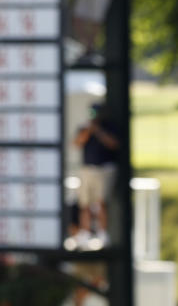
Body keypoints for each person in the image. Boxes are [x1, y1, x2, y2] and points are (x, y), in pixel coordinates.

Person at [72, 103, 120, 249]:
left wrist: (98, 131)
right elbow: (76, 143)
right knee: (84, 203)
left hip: (104, 169)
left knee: (100, 202)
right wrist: (89, 130)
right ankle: (85, 232)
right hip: (87, 169)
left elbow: (114, 144)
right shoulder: (84, 128)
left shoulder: (109, 127)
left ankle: (102, 234)